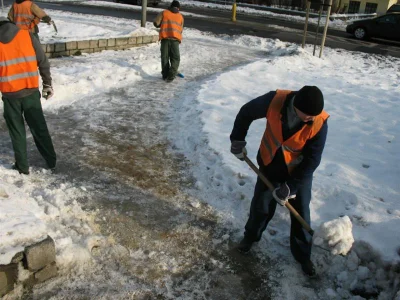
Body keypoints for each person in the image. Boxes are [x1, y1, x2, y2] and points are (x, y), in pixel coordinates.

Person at [230, 86, 329, 277]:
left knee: (301, 211)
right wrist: (237, 139)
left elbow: (312, 160)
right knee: (261, 205)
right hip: (270, 162)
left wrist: (291, 187)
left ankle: (302, 255)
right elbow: (246, 112)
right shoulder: (274, 101)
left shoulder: (319, 122)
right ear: (296, 106)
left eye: (313, 116)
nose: (311, 119)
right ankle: (250, 237)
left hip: (297, 172)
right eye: (307, 115)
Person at [0, 17, 56, 175]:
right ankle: (51, 161)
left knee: (17, 132)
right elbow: (43, 61)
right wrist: (47, 83)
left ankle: (22, 167)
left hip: (10, 95)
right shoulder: (27, 35)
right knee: (39, 128)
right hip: (31, 92)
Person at [153, 0, 184, 83]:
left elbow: (156, 23)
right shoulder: (180, 16)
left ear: (170, 6)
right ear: (178, 8)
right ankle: (171, 76)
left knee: (165, 58)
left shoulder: (164, 13)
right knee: (175, 58)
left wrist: (162, 24)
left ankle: (165, 75)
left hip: (165, 39)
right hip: (175, 40)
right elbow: (181, 29)